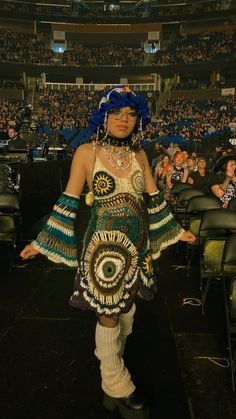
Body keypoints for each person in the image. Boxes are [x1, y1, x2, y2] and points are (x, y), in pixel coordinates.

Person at [20, 86, 195, 418]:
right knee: (108, 312)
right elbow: (69, 201)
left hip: (136, 248)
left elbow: (155, 201)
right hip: (102, 251)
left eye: (130, 114)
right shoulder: (86, 152)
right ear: (103, 116)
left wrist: (176, 231)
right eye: (116, 113)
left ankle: (109, 377)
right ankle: (117, 383)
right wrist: (41, 242)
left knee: (127, 310)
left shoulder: (140, 155)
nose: (124, 120)